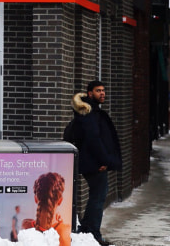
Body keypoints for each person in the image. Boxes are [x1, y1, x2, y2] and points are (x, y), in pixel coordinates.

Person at [71, 80, 122, 246]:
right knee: (98, 197)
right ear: (90, 93)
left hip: (94, 162)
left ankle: (87, 229)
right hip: (95, 163)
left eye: (103, 90)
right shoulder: (89, 112)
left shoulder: (91, 111)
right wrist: (103, 160)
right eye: (98, 90)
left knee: (96, 195)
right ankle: (93, 233)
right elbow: (93, 140)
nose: (102, 93)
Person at [29, 172, 71, 246]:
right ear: (60, 201)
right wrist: (60, 224)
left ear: (35, 199)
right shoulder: (65, 231)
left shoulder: (26, 226)